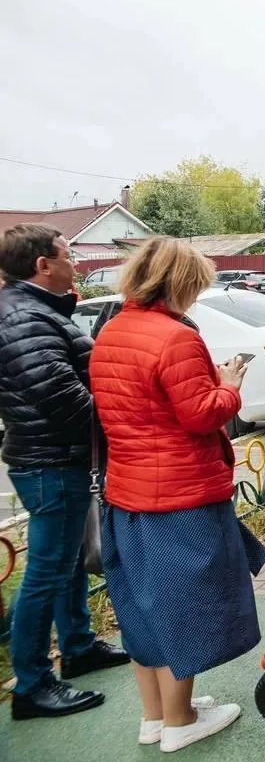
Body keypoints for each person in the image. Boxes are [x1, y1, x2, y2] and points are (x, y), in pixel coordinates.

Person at [89, 236, 265, 751]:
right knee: (183, 607)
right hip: (181, 494)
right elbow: (201, 414)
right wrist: (229, 384)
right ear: (181, 282)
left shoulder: (111, 331)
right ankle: (181, 721)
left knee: (139, 605)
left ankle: (156, 716)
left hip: (127, 490)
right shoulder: (175, 337)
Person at [0, 224, 129, 721]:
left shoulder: (37, 311)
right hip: (48, 462)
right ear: (42, 265)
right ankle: (31, 685)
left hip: (58, 458)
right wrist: (118, 419)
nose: (76, 264)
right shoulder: (23, 319)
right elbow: (62, 399)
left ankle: (77, 646)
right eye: (68, 255)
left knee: (68, 561)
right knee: (46, 572)